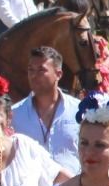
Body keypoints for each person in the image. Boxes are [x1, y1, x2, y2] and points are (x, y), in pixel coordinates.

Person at [9, 46, 81, 176]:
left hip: (72, 185)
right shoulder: (14, 114)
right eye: (31, 70)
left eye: (41, 70)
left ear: (58, 74)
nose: (34, 76)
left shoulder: (78, 110)